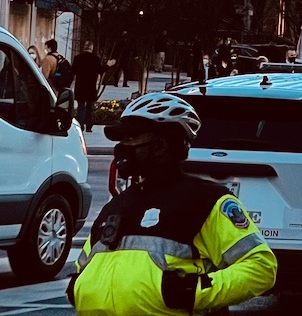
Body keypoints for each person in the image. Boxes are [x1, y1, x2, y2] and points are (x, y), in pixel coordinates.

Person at [67, 92, 277, 316]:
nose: (121, 148)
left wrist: (192, 292)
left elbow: (261, 267)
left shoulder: (205, 200)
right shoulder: (117, 205)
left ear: (160, 146)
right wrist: (79, 285)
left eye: (131, 139)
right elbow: (86, 264)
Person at [72, 42, 102, 132]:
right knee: (89, 108)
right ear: (91, 48)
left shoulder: (77, 58)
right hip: (91, 87)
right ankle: (89, 126)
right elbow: (100, 70)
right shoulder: (95, 59)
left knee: (81, 108)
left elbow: (73, 71)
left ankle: (80, 125)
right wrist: (108, 65)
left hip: (80, 87)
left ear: (84, 48)